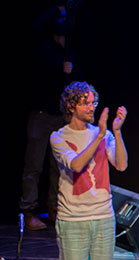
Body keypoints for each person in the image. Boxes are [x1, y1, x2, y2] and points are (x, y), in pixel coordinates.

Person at [46, 81, 128, 260]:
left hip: (103, 216)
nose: (92, 107)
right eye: (86, 102)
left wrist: (115, 132)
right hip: (72, 219)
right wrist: (101, 135)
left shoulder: (102, 134)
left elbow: (121, 164)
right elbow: (78, 164)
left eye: (93, 102)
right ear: (72, 106)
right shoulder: (58, 137)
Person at [21, 0, 79, 230]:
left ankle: (56, 209)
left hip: (60, 116)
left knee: (59, 166)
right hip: (41, 114)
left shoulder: (71, 52)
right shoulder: (43, 47)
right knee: (34, 165)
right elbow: (36, 28)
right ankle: (28, 212)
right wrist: (58, 10)